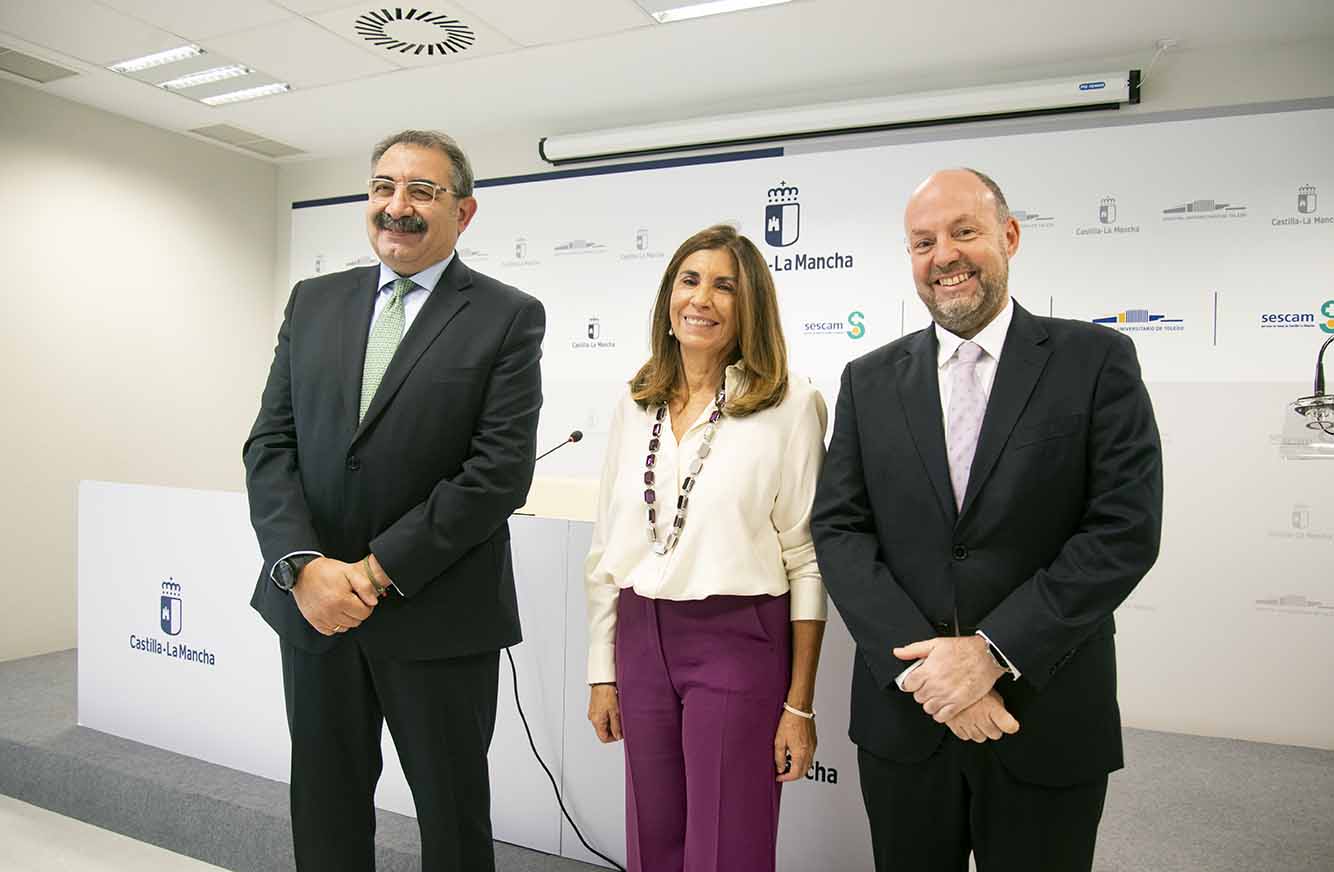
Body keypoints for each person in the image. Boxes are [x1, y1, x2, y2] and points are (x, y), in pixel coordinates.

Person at [811, 168, 1162, 872]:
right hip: (907, 718)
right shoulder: (868, 380)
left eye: (964, 232)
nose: (944, 255)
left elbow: (1123, 528)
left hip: (1043, 711)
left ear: (1008, 236)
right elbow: (840, 529)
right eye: (922, 242)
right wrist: (932, 670)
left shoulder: (1095, 361)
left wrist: (990, 653)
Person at [243, 129, 545, 872]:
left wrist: (373, 573)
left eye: (421, 190)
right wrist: (303, 566)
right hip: (315, 609)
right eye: (382, 187)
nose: (396, 206)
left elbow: (497, 473)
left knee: (451, 818)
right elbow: (270, 446)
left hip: (436, 614)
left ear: (464, 213)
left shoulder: (507, 315)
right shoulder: (313, 302)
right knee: (325, 806)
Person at [584, 225, 828, 872]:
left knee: (729, 848)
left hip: (738, 639)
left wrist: (799, 704)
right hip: (640, 636)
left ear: (751, 307)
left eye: (726, 285)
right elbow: (607, 546)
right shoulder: (636, 402)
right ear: (669, 296)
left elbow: (807, 560)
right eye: (690, 280)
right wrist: (601, 669)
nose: (703, 298)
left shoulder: (792, 405)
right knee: (652, 839)